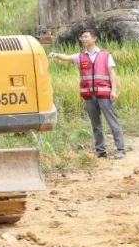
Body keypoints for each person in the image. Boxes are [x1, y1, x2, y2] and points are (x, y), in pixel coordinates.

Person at [50, 29, 126, 159]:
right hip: (89, 96)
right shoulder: (80, 56)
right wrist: (56, 55)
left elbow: (112, 74)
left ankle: (120, 149)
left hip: (104, 94)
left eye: (86, 36)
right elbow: (67, 57)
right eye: (82, 37)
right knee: (96, 125)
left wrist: (113, 90)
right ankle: (101, 151)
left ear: (94, 38)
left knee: (113, 122)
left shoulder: (105, 55)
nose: (83, 39)